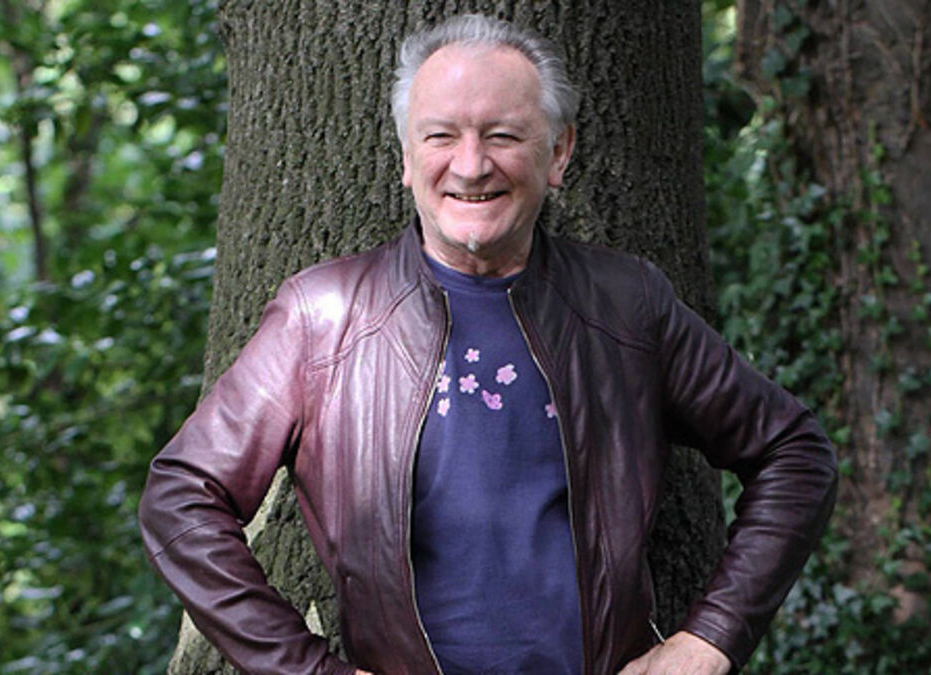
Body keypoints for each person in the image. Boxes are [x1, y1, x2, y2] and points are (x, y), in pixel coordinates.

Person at [138, 14, 837, 675]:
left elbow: (793, 451)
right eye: (441, 136)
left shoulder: (626, 306)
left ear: (558, 152)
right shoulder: (324, 318)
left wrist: (708, 640)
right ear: (407, 157)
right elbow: (180, 497)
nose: (470, 166)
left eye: (502, 135)